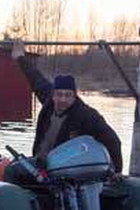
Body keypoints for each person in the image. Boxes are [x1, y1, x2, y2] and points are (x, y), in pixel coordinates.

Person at [9, 41, 123, 178]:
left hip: (63, 170)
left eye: (67, 95)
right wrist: (20, 57)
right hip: (39, 164)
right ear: (53, 95)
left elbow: (113, 140)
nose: (62, 99)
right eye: (59, 94)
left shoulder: (86, 115)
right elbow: (35, 77)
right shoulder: (49, 101)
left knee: (13, 172)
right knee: (11, 168)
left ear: (74, 96)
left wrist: (116, 171)